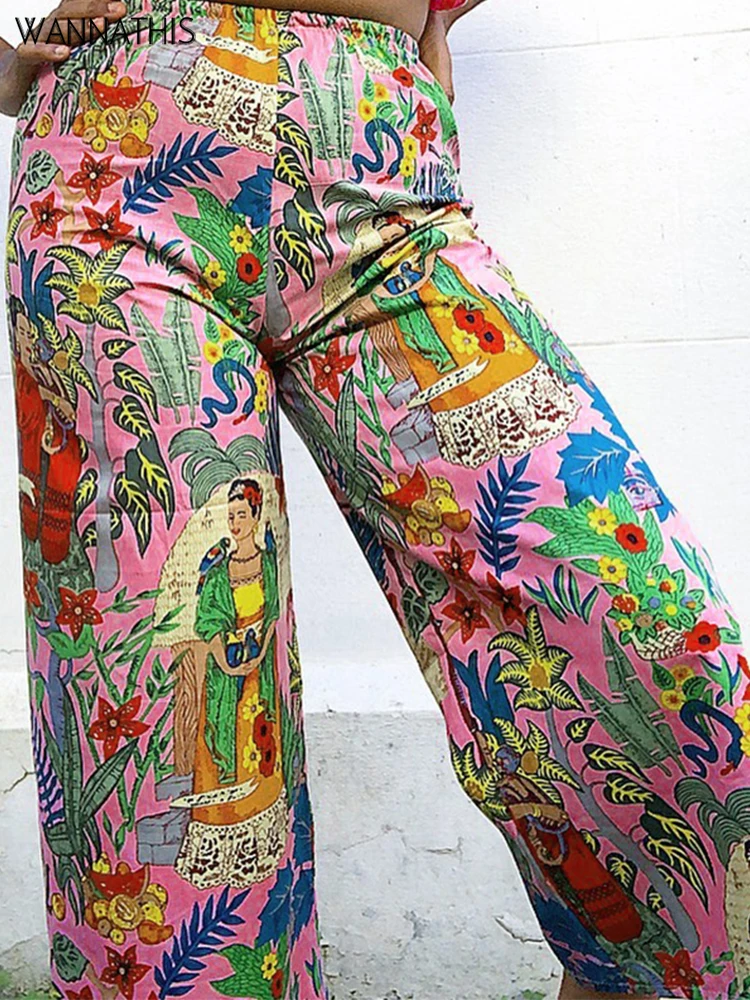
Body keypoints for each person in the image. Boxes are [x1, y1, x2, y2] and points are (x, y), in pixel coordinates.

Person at [0, 2, 746, 999]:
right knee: (182, 771)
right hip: (119, 167)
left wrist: (434, 23)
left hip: (379, 159)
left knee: (653, 646)